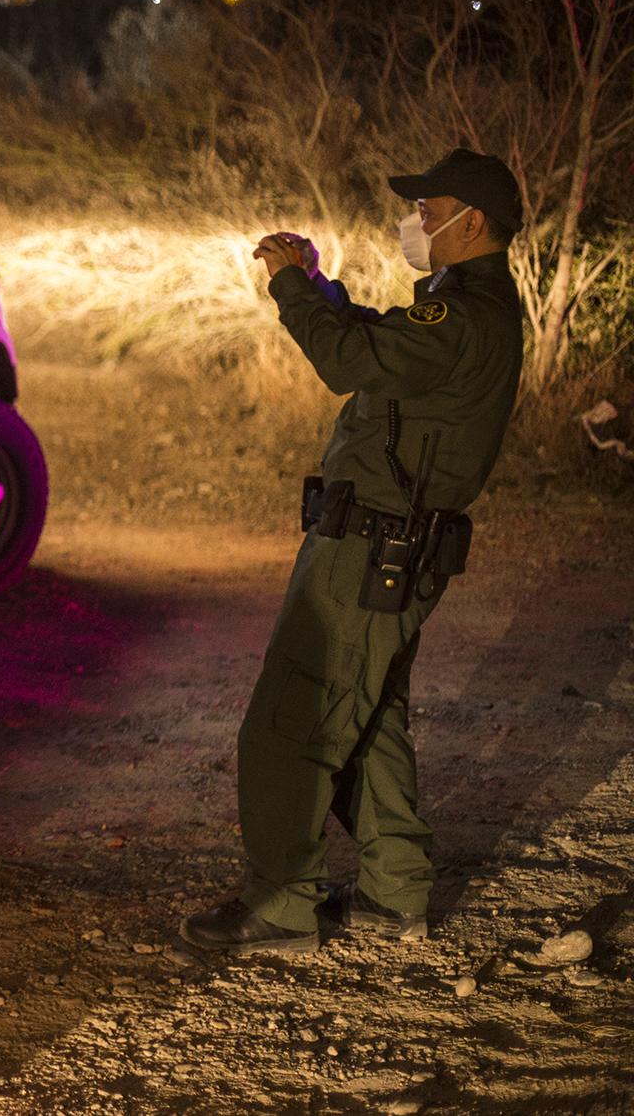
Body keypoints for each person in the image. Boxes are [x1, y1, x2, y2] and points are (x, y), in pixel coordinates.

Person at [181, 148, 526, 955]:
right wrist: (326, 288)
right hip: (390, 548)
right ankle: (392, 893)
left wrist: (290, 286)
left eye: (430, 208)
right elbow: (378, 341)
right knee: (369, 718)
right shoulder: (463, 310)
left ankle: (280, 902)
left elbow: (348, 359)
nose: (418, 221)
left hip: (373, 549)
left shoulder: (465, 315)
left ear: (472, 221)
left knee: (290, 719)